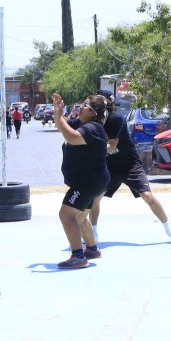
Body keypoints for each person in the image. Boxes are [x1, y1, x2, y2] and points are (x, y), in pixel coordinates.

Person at [92, 90, 171, 243]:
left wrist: (90, 150)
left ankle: (169, 229)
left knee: (148, 196)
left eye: (101, 100)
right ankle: (93, 233)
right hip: (110, 167)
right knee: (94, 199)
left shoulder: (116, 119)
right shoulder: (93, 122)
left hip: (130, 165)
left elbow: (111, 147)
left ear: (108, 103)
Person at [52, 92, 110, 269]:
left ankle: (78, 256)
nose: (80, 107)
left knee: (66, 215)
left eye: (85, 106)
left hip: (88, 181)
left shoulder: (93, 128)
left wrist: (60, 115)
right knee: (80, 216)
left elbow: (71, 137)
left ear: (93, 113)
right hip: (93, 180)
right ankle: (91, 249)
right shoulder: (83, 123)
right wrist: (58, 112)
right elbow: (62, 127)